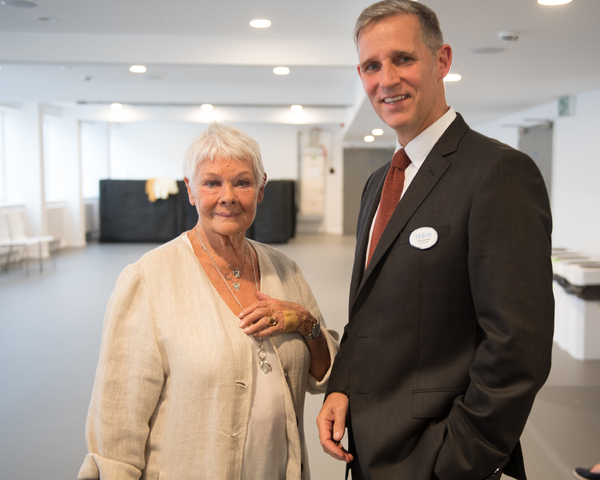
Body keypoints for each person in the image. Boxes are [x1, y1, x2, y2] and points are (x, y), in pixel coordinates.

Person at [316, 1, 554, 479]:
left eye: (403, 58)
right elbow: (369, 308)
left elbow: (517, 347)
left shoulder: (497, 173)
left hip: (439, 458)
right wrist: (342, 383)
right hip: (368, 448)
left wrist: (455, 461)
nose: (386, 80)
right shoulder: (379, 182)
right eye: (371, 66)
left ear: (441, 61)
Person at [78, 122, 339, 480]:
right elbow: (117, 424)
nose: (228, 195)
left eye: (242, 182)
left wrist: (305, 322)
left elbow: (324, 375)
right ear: (190, 190)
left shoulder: (285, 270)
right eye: (212, 182)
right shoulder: (148, 279)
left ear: (261, 189)